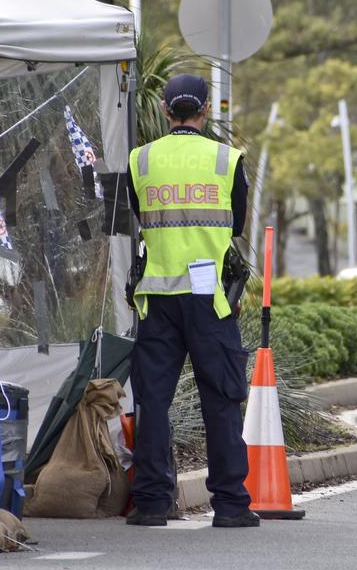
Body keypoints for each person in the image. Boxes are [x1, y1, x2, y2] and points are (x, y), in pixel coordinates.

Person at [123, 74, 259, 529]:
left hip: (157, 300)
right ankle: (231, 506)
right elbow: (236, 223)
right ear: (204, 111)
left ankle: (151, 504)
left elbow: (139, 216)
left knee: (153, 401)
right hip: (210, 299)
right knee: (220, 398)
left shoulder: (141, 160)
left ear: (164, 109)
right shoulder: (226, 159)